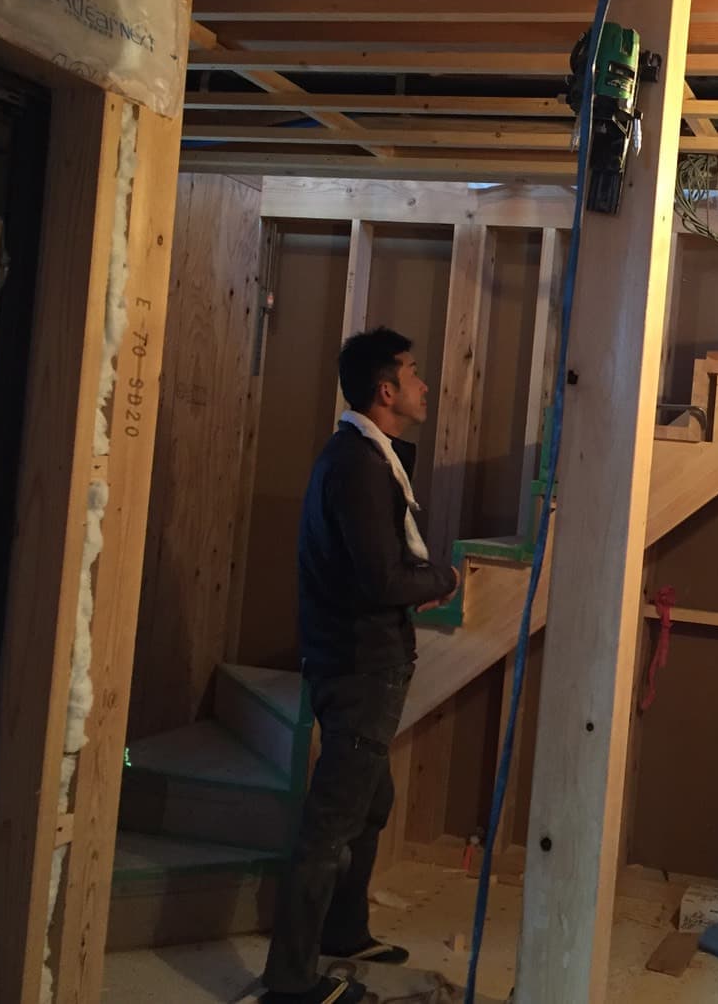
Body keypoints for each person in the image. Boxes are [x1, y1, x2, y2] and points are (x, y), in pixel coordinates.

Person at [263, 327, 459, 1004]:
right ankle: (290, 980)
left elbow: (377, 568)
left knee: (372, 802)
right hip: (358, 666)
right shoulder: (358, 467)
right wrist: (442, 579)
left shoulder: (367, 458)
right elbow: (382, 578)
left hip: (360, 660)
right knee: (330, 825)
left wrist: (423, 580)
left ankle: (344, 930)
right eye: (413, 373)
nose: (423, 384)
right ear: (385, 390)